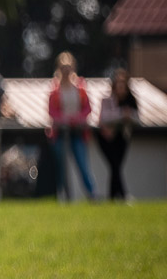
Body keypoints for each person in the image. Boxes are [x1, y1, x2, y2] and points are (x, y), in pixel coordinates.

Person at [47, 51, 96, 201]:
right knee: (61, 166)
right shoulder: (54, 91)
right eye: (63, 68)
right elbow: (52, 111)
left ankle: (91, 194)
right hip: (60, 132)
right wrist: (64, 119)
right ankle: (63, 196)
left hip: (77, 131)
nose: (66, 71)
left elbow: (87, 108)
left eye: (68, 67)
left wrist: (77, 119)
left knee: (82, 163)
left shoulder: (80, 89)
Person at [96, 68, 138, 201]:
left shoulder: (131, 100)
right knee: (114, 165)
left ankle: (113, 197)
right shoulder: (107, 100)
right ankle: (123, 195)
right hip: (107, 138)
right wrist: (121, 114)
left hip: (122, 138)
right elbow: (103, 117)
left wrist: (129, 115)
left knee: (116, 167)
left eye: (123, 85)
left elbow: (138, 118)